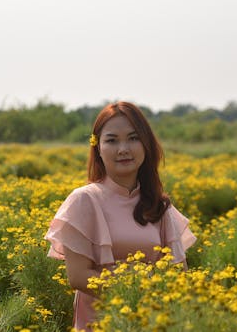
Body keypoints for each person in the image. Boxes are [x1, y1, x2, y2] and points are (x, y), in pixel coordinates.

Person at [45, 101, 196, 331]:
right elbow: (77, 276)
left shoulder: (159, 205)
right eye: (112, 140)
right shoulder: (84, 200)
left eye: (133, 138)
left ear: (146, 144)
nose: (123, 148)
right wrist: (131, 292)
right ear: (98, 148)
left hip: (153, 322)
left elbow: (179, 273)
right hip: (102, 322)